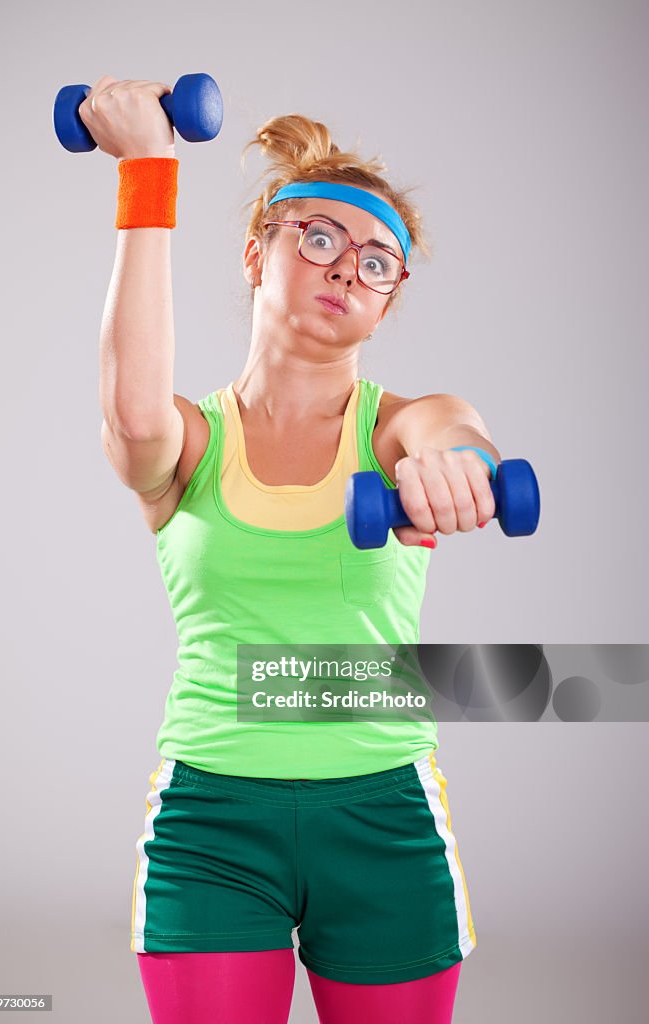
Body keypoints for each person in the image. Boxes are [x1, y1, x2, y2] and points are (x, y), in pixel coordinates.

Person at [84, 76, 501, 1024]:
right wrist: (149, 171)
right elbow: (130, 413)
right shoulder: (185, 443)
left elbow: (455, 431)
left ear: (388, 304)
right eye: (320, 238)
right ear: (254, 255)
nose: (349, 268)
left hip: (385, 817)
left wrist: (456, 467)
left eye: (379, 262)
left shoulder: (400, 424)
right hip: (213, 822)